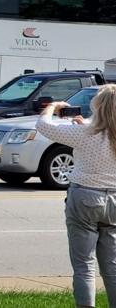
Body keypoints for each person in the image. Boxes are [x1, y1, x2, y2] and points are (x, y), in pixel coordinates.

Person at [38, 86, 116, 308]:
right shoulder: (93, 131)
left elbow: (43, 126)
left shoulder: (84, 133)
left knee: (84, 265)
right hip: (114, 199)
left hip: (84, 196)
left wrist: (52, 107)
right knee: (111, 266)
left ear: (97, 107)